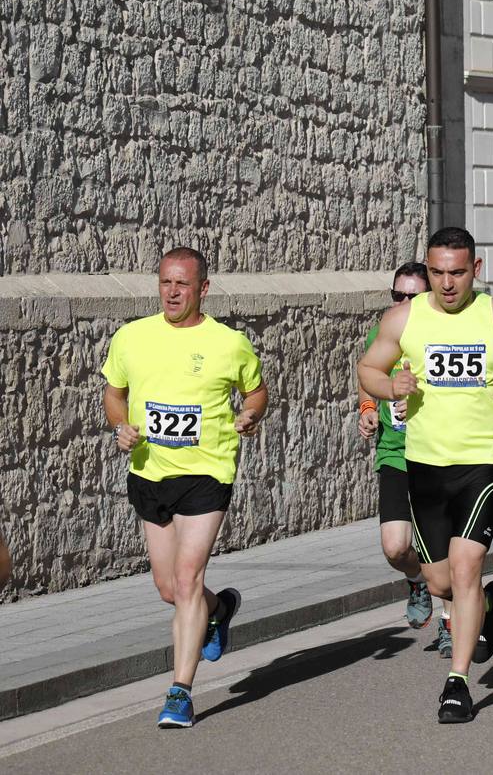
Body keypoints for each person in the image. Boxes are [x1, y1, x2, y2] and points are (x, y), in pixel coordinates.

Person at [358, 227, 493, 724]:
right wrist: (389, 385)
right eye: (438, 273)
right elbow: (368, 369)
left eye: (457, 272)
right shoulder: (402, 318)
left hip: (481, 464)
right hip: (423, 467)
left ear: (476, 270)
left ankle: (457, 683)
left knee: (465, 569)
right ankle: (488, 603)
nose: (447, 284)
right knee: (441, 580)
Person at [101, 247, 269, 728]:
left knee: (188, 577)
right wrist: (120, 426)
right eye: (165, 283)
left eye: (182, 285)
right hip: (150, 471)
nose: (172, 293)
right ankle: (219, 609)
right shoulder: (131, 337)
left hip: (206, 472)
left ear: (203, 289)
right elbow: (115, 395)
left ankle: (180, 691)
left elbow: (256, 391)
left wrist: (251, 414)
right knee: (168, 587)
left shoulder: (229, 343)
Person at [357, 262, 437, 638]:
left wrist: (424, 403)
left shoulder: (444, 333)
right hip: (395, 451)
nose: (403, 302)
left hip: (440, 453)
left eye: (412, 296)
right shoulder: (386, 329)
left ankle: (452, 625)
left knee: (443, 550)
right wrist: (369, 408)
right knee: (395, 548)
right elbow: (368, 373)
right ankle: (419, 580)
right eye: (397, 295)